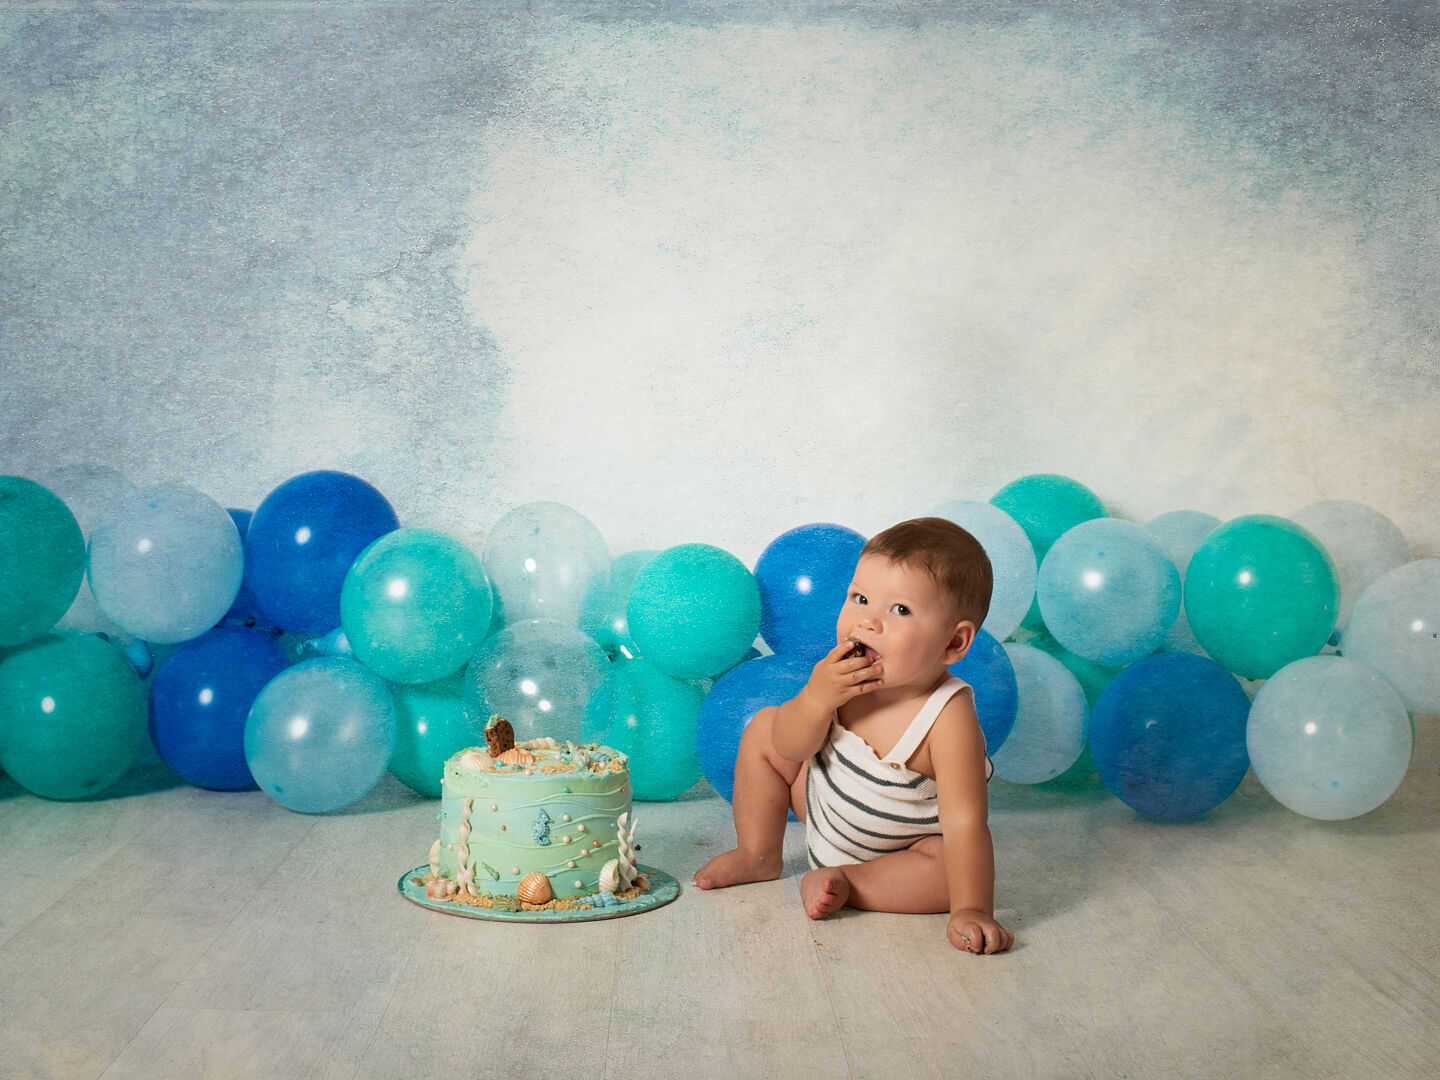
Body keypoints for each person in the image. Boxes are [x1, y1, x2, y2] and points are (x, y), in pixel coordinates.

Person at [694, 517, 1014, 955]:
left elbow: (964, 823)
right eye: (860, 598)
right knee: (766, 729)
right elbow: (791, 749)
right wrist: (815, 700)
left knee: (947, 870)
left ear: (953, 644)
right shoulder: (841, 674)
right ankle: (758, 853)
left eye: (899, 610)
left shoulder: (948, 717)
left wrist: (972, 908)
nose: (867, 622)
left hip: (901, 853)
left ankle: (851, 883)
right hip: (827, 808)